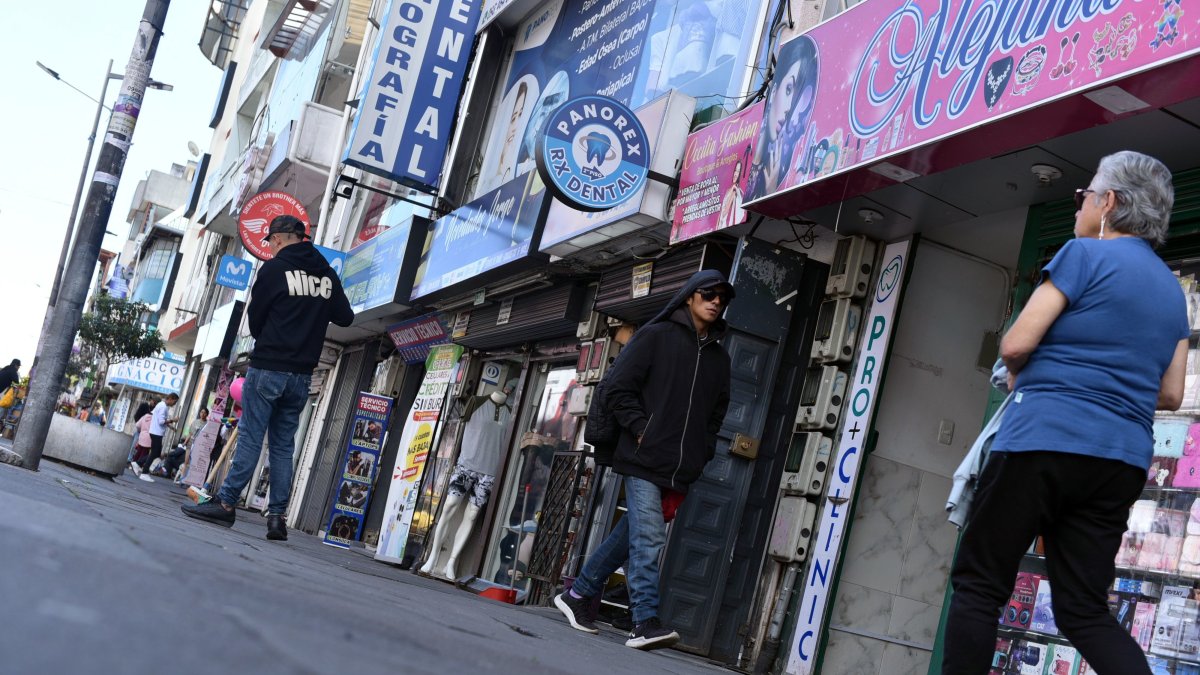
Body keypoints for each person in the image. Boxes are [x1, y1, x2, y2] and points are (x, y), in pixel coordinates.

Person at [943, 151, 1188, 674]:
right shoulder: (1172, 293)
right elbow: (1170, 394)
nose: (1078, 207)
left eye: (1084, 196)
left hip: (1041, 440)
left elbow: (1015, 344)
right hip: (1119, 460)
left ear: (1110, 203)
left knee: (980, 585)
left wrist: (1035, 365)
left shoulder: (1082, 254)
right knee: (1083, 610)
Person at [555, 269, 733, 650]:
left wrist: (704, 450)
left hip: (681, 465)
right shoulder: (656, 336)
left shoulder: (720, 359)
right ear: (689, 296)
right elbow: (616, 388)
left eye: (723, 296)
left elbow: (717, 414)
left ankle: (577, 594)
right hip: (641, 455)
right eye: (709, 293)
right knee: (649, 536)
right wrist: (641, 428)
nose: (716, 301)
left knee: (628, 535)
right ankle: (644, 621)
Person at [183, 214, 353, 540]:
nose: (271, 247)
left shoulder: (273, 270)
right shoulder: (326, 274)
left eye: (271, 241)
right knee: (282, 446)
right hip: (302, 375)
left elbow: (256, 320)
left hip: (269, 366)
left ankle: (227, 504)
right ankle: (276, 518)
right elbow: (345, 317)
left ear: (278, 238)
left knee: (250, 436)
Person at [419, 382, 514, 579]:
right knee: (449, 506)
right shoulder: (476, 402)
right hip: (466, 466)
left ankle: (452, 561)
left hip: (489, 473)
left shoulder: (510, 412)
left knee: (471, 516)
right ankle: (433, 556)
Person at [746, 35, 818, 201]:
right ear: (774, 91)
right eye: (788, 90)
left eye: (795, 101)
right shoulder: (743, 147)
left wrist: (771, 190)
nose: (788, 110)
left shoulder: (780, 171)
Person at [131, 393, 178, 482]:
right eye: (175, 402)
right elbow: (161, 421)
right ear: (171, 399)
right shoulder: (163, 407)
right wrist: (173, 420)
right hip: (157, 432)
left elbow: (155, 417)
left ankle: (138, 463)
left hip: (154, 432)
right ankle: (143, 471)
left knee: (156, 453)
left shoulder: (160, 405)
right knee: (155, 453)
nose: (174, 404)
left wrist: (170, 425)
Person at [715, 158, 746, 231]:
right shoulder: (730, 190)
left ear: (740, 174)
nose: (735, 174)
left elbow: (724, 212)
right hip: (722, 226)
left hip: (725, 226)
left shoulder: (735, 190)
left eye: (738, 171)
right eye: (735, 170)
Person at [0, 359, 20, 426]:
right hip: (1, 391)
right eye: (18, 366)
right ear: (15, 365)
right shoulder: (13, 371)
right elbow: (17, 382)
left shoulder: (6, 368)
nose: (18, 368)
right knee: (3, 406)